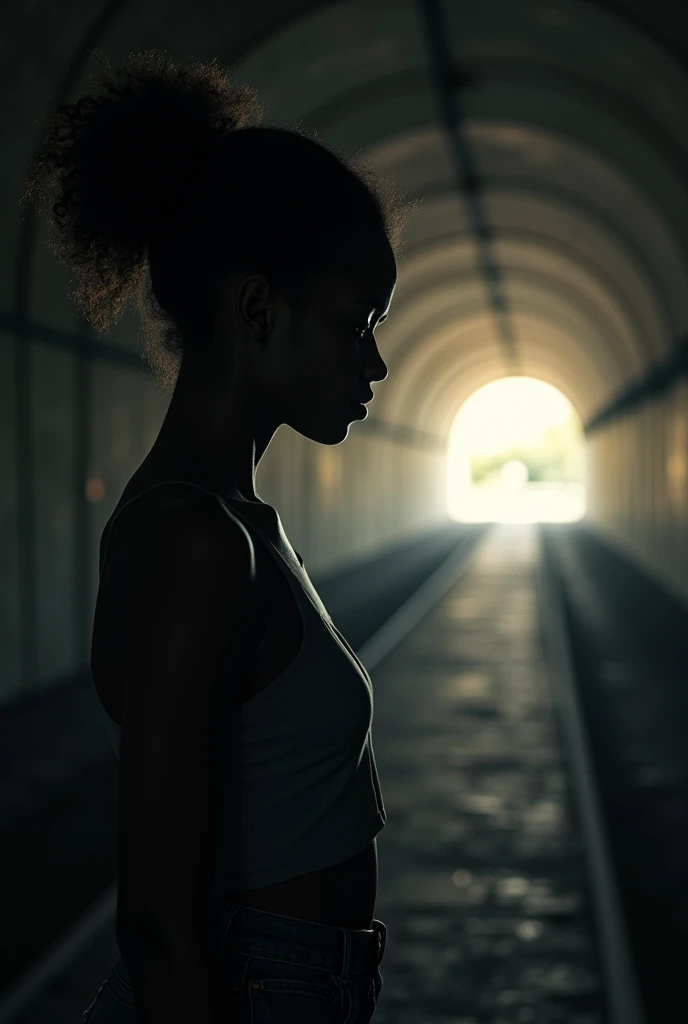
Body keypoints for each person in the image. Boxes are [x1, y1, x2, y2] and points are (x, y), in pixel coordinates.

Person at [23, 49, 421, 1023]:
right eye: (356, 321)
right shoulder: (193, 543)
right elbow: (159, 922)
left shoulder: (233, 524)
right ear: (256, 308)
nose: (376, 360)